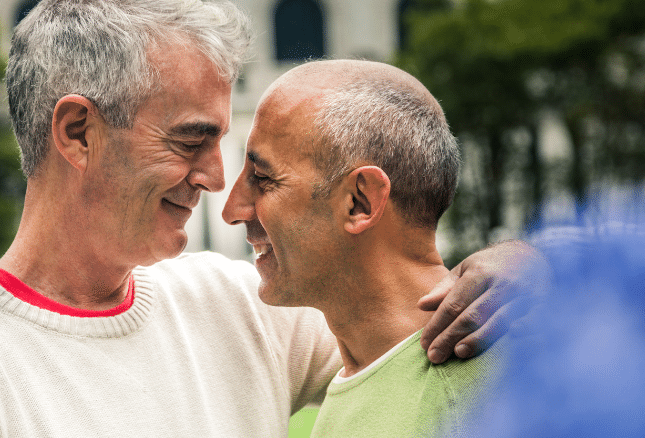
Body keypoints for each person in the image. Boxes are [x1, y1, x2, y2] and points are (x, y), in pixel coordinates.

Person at [0, 0, 540, 436]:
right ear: (77, 133)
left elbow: (415, 315)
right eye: (190, 141)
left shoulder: (238, 305)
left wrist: (541, 262)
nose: (217, 181)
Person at [222, 60, 539, 436]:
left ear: (361, 202)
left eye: (263, 178)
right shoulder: (368, 374)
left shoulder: (487, 395)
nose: (232, 210)